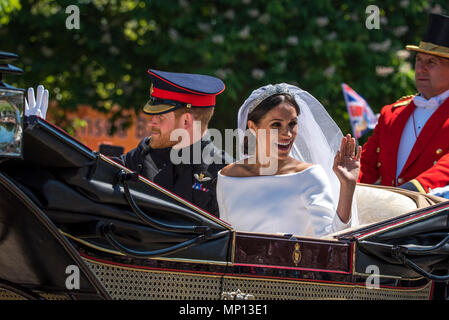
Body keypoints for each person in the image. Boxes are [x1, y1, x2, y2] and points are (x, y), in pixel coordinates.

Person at [24, 69, 233, 218]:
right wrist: (41, 138)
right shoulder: (143, 156)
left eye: (160, 117)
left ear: (186, 121)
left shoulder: (226, 173)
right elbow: (87, 172)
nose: (151, 121)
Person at [216, 83, 361, 237]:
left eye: (292, 124)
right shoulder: (227, 176)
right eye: (276, 125)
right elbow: (225, 238)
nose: (288, 134)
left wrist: (347, 186)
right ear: (253, 127)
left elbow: (332, 241)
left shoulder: (310, 175)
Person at [358, 13, 449, 196]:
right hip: (388, 218)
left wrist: (409, 191)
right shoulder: (392, 113)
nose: (421, 68)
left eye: (431, 62)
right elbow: (365, 167)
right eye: (418, 61)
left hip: (432, 216)